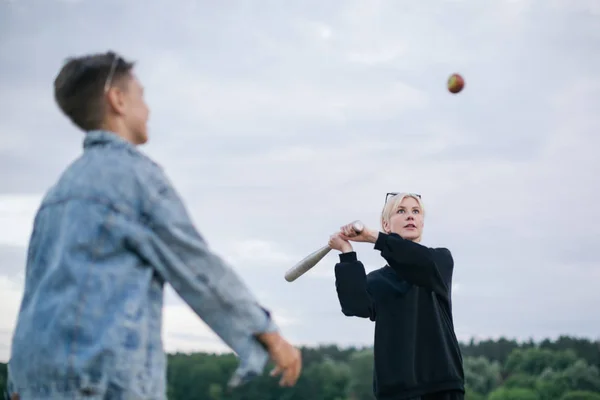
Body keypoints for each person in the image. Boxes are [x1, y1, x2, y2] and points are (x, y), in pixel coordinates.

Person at [6, 51, 301, 400]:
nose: (148, 109)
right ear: (117, 100)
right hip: (98, 380)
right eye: (140, 96)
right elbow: (198, 269)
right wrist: (268, 334)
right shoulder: (134, 179)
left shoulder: (58, 192)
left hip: (28, 380)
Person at [329, 193, 464, 400]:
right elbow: (354, 305)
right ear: (387, 224)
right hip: (396, 392)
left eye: (415, 211)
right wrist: (347, 253)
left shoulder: (438, 262)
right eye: (401, 211)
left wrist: (374, 237)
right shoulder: (376, 281)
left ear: (421, 223)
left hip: (442, 386)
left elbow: (414, 259)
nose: (410, 216)